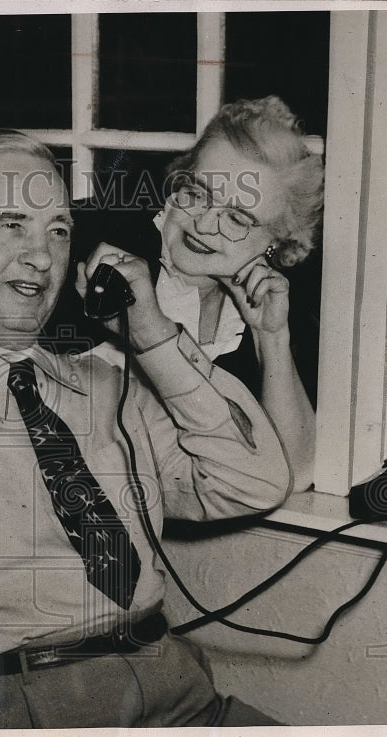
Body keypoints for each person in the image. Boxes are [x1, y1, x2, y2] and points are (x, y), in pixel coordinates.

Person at [0, 129, 292, 729]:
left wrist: (151, 333)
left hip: (177, 690)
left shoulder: (106, 386)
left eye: (58, 230)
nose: (43, 256)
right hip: (25, 707)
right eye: (12, 225)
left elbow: (252, 481)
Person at [151, 96, 324, 491]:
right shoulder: (111, 260)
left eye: (237, 217)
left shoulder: (270, 307)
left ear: (279, 241)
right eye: (197, 193)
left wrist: (270, 338)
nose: (204, 224)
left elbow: (296, 474)